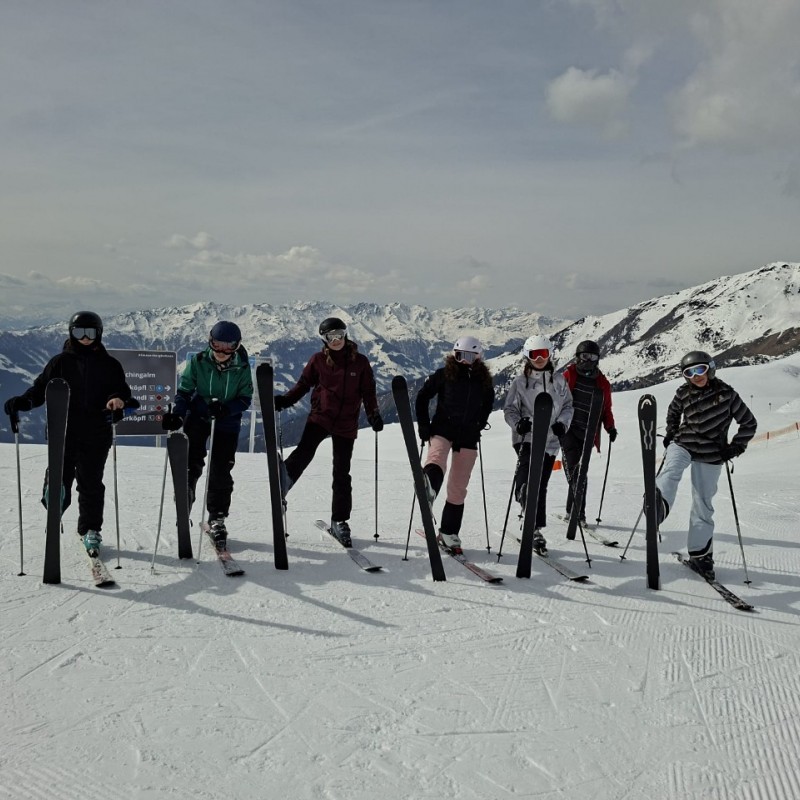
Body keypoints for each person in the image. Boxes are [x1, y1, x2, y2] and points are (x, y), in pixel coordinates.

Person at [3, 311, 133, 554]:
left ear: (99, 334)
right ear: (71, 333)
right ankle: (55, 507)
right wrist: (24, 402)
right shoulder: (60, 363)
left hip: (97, 433)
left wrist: (117, 401)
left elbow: (122, 392)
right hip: (63, 432)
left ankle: (90, 529)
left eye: (90, 332)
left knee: (91, 482)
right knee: (59, 481)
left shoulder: (110, 365)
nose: (85, 338)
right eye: (79, 332)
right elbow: (40, 390)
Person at [273, 317, 383, 548]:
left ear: (346, 334)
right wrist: (286, 400)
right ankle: (284, 479)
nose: (336, 340)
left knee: (342, 472)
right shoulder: (318, 360)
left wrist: (373, 414)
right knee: (305, 451)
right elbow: (303, 385)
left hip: (346, 423)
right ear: (324, 339)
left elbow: (368, 391)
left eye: (339, 335)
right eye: (330, 337)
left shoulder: (360, 362)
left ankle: (339, 520)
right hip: (321, 416)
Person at [655, 350, 757, 579]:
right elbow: (673, 413)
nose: (696, 376)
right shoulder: (683, 392)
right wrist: (671, 432)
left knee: (703, 504)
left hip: (712, 452)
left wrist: (735, 447)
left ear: (710, 369)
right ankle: (658, 503)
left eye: (699, 370)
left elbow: (749, 423)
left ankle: (700, 556)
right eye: (689, 373)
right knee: (671, 469)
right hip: (684, 443)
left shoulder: (727, 395)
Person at [161, 321, 253, 550]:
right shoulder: (199, 361)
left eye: (228, 346)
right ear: (210, 342)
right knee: (192, 460)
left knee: (221, 470)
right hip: (199, 417)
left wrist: (226, 409)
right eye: (217, 345)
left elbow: (245, 398)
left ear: (236, 346)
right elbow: (184, 391)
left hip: (227, 423)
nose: (221, 351)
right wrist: (178, 414)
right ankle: (186, 494)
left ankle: (217, 518)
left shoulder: (242, 366)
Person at [415, 336, 494, 553]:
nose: (464, 361)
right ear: (454, 355)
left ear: (478, 357)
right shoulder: (444, 374)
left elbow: (488, 404)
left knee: (458, 486)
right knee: (436, 458)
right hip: (442, 428)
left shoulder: (484, 381)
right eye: (460, 356)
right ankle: (428, 487)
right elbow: (422, 397)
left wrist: (478, 425)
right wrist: (424, 425)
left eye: (470, 356)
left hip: (467, 436)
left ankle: (449, 533)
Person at [503, 334, 573, 554]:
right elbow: (510, 409)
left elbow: (568, 406)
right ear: (528, 356)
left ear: (550, 354)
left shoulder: (559, 381)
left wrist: (563, 424)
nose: (540, 358)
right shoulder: (520, 382)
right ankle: (523, 493)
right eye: (535, 355)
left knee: (541, 483)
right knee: (527, 473)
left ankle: (534, 528)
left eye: (543, 354)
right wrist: (518, 424)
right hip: (527, 437)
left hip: (551, 441)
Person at [561, 340, 617, 527]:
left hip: (588, 433)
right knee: (575, 471)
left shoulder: (602, 383)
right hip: (568, 430)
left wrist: (610, 427)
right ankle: (577, 513)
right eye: (585, 356)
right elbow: (557, 400)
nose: (588, 360)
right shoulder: (568, 375)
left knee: (580, 472)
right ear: (578, 357)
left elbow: (606, 409)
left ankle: (573, 511)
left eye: (592, 357)